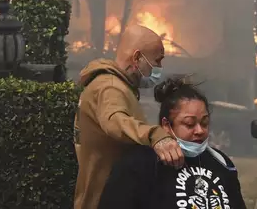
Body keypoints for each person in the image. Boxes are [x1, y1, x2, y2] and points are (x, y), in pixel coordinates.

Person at [73, 25, 184, 209]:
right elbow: (115, 121)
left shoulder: (116, 85)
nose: (159, 68)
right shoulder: (110, 87)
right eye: (157, 61)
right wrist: (155, 136)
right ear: (137, 58)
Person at [97, 78, 247, 209]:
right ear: (167, 125)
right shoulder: (139, 164)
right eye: (189, 124)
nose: (199, 130)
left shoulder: (221, 162)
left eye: (205, 123)